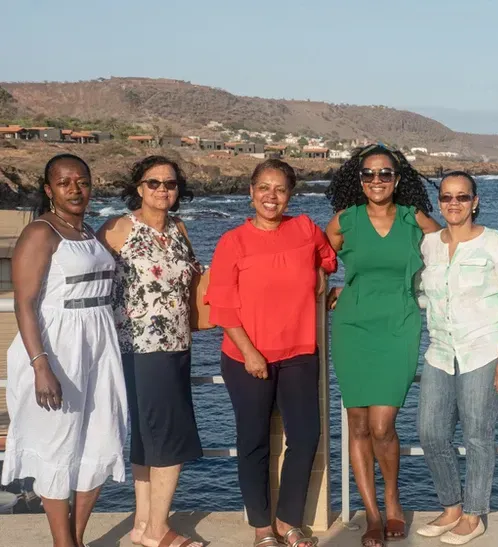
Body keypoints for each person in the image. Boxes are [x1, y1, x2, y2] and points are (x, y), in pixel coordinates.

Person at [206, 159, 337, 547]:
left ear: (290, 195)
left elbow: (327, 257)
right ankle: (263, 529)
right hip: (248, 357)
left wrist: (321, 276)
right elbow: (221, 306)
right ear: (250, 192)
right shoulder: (233, 241)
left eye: (280, 189)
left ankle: (288, 522)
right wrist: (250, 352)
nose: (271, 196)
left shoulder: (304, 228)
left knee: (305, 437)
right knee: (254, 442)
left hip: (299, 351)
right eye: (264, 188)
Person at [1, 154, 128, 547]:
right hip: (57, 347)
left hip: (99, 343)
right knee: (59, 442)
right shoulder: (41, 232)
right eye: (65, 182)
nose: (75, 189)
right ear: (48, 189)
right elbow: (25, 302)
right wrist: (41, 366)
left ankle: (75, 537)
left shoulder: (89, 231)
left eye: (83, 181)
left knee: (101, 438)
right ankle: (62, 542)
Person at [325, 144, 440, 547]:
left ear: (397, 179)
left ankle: (393, 501)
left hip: (399, 326)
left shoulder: (415, 220)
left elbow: (450, 252)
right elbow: (323, 262)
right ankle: (372, 515)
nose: (376, 181)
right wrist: (331, 290)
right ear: (358, 180)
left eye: (385, 174)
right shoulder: (344, 221)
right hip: (353, 326)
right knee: (357, 424)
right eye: (368, 174)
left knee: (382, 425)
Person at [97, 155, 203, 547]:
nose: (163, 190)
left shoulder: (179, 229)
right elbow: (85, 271)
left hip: (177, 345)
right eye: (154, 183)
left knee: (147, 439)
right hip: (140, 348)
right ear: (139, 187)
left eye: (170, 184)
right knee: (168, 440)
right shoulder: (119, 229)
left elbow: (195, 279)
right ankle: (159, 529)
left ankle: (143, 526)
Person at [415, 171, 498, 544]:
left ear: (475, 202)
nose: (454, 204)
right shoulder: (429, 245)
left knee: (478, 436)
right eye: (447, 198)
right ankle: (451, 507)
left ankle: (474, 513)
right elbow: (419, 293)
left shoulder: (495, 244)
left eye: (462, 197)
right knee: (431, 433)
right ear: (440, 203)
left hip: (483, 352)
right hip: (440, 353)